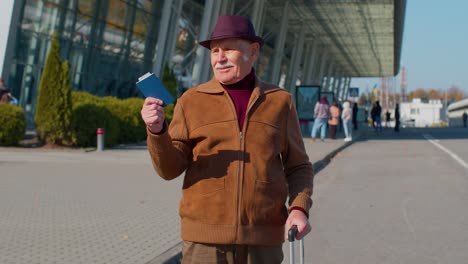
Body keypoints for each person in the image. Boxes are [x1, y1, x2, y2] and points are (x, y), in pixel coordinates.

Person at [140, 15, 313, 264]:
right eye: (214, 51)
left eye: (228, 49)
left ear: (253, 51)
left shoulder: (280, 101)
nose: (219, 58)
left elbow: (299, 166)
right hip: (204, 244)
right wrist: (157, 132)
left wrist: (299, 208)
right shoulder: (191, 101)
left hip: (263, 243)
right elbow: (169, 170)